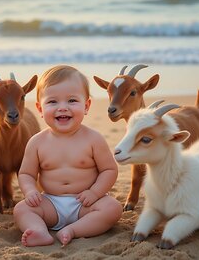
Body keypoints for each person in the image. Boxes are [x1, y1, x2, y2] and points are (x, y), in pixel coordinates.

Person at [13, 65, 122, 247]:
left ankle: (73, 230)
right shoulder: (37, 142)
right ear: (40, 109)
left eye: (72, 101)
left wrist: (95, 193)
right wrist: (30, 191)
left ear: (86, 106)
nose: (62, 108)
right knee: (21, 209)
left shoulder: (93, 139)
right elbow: (26, 174)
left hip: (85, 204)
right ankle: (40, 231)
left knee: (112, 208)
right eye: (52, 102)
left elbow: (109, 170)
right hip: (50, 203)